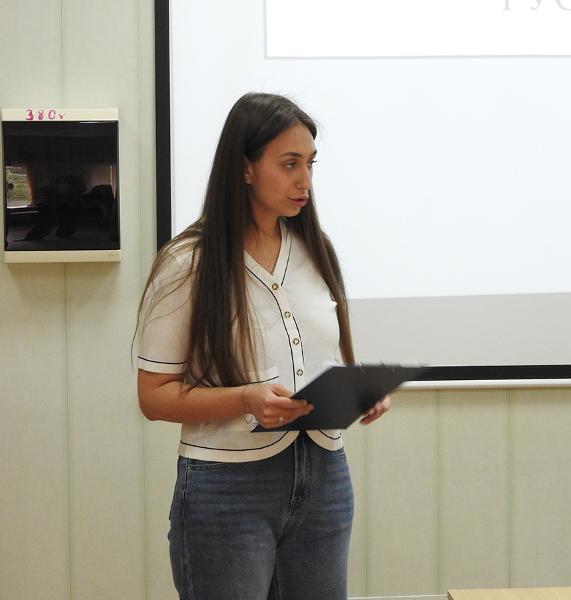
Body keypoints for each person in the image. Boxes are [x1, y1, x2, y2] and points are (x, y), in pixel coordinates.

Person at [136, 92, 390, 600]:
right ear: (245, 168)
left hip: (324, 478)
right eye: (289, 164)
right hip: (227, 486)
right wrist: (246, 398)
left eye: (311, 164)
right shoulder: (187, 262)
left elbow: (326, 357)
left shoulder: (316, 250)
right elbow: (153, 396)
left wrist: (358, 389)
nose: (305, 181)